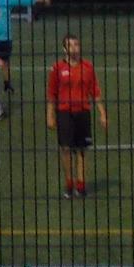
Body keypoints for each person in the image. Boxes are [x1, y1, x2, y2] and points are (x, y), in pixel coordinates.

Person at [45, 33, 106, 199]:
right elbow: (52, 94)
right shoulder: (57, 69)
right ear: (64, 48)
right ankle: (69, 182)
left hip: (83, 113)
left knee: (82, 150)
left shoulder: (87, 67)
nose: (75, 48)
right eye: (71, 45)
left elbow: (95, 91)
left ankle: (81, 184)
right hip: (64, 113)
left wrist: (102, 113)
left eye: (77, 45)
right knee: (65, 149)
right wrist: (50, 115)